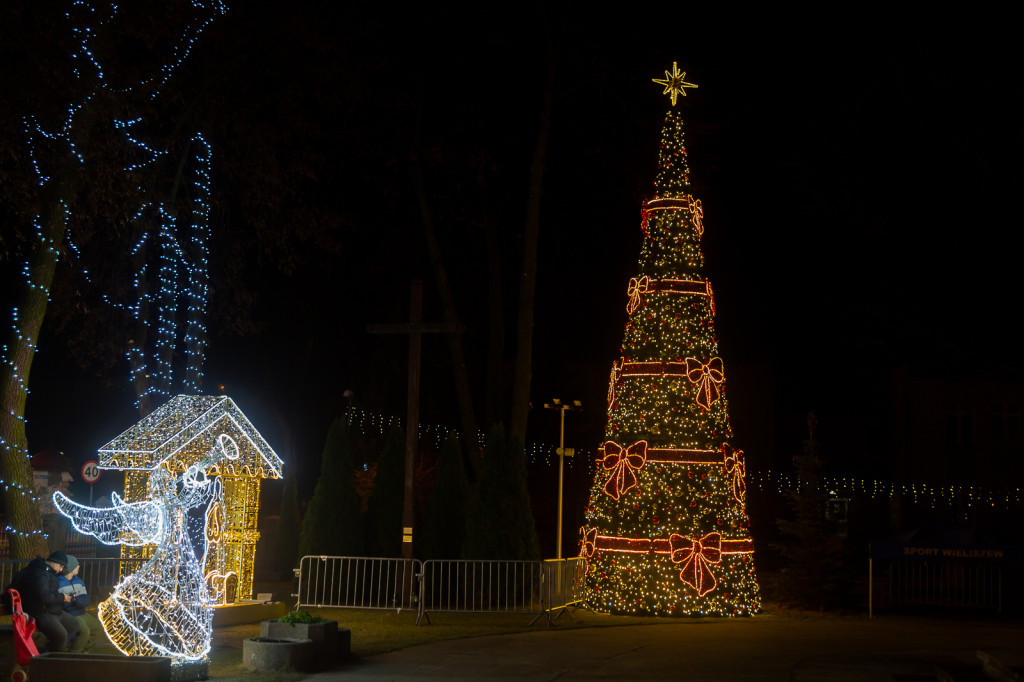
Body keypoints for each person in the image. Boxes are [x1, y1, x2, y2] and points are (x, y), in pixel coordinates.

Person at [10, 550, 80, 652]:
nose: (61, 570)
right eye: (61, 566)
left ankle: (49, 651)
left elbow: (48, 593)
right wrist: (62, 597)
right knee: (61, 635)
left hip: (48, 609)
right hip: (38, 612)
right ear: (54, 562)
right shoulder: (39, 574)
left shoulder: (46, 572)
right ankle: (53, 659)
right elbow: (43, 597)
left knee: (72, 623)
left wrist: (61, 596)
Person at [57, 555, 103, 653]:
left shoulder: (78, 581)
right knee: (84, 631)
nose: (79, 566)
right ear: (70, 568)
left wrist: (74, 600)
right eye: (76, 565)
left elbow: (85, 599)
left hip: (79, 611)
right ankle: (74, 654)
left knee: (97, 628)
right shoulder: (59, 582)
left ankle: (85, 651)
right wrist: (76, 600)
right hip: (69, 613)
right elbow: (62, 603)